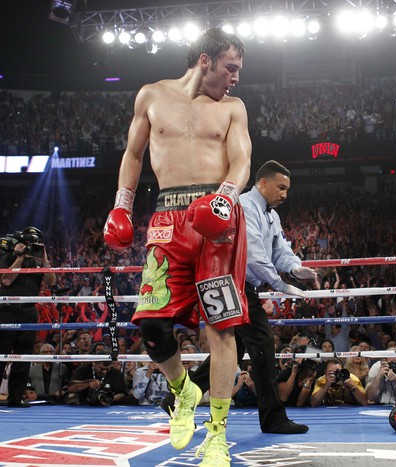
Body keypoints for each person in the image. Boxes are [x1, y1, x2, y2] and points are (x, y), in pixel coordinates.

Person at [103, 27, 251, 465]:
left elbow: (242, 160)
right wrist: (122, 205)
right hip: (167, 220)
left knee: (221, 328)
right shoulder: (151, 95)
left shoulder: (233, 108)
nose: (236, 78)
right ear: (205, 60)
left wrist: (224, 198)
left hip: (217, 222)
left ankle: (218, 435)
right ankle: (183, 389)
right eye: (230, 68)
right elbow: (133, 155)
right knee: (151, 324)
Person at [162, 161, 314, 434]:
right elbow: (254, 254)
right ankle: (273, 419)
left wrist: (294, 267)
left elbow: (280, 249)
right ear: (263, 183)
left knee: (236, 349)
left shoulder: (271, 215)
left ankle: (176, 399)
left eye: (287, 189)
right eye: (280, 187)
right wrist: (280, 284)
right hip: (231, 282)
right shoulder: (241, 206)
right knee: (263, 344)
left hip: (241, 286)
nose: (284, 194)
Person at [0, 226, 55, 407]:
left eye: (36, 243)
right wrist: (20, 257)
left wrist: (44, 258)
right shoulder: (10, 256)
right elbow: (6, 280)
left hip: (29, 311)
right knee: (1, 355)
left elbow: (51, 281)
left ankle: (16, 398)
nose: (32, 246)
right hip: (7, 310)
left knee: (23, 358)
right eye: (29, 242)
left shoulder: (39, 262)